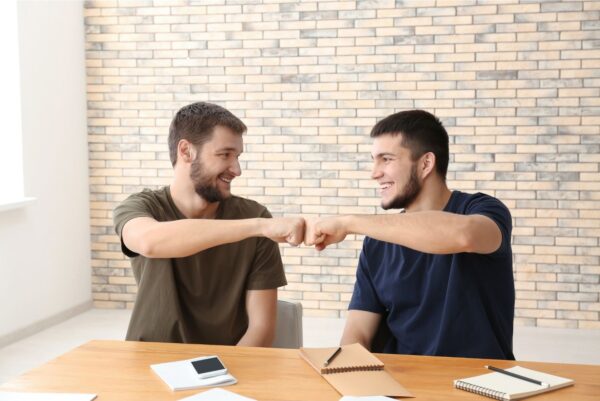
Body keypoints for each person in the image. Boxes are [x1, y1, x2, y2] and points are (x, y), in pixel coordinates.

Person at [305, 109, 515, 359]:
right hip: (401, 384)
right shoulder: (377, 240)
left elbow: (465, 236)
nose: (374, 173)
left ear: (426, 163)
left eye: (386, 159)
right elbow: (357, 332)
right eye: (374, 160)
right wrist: (352, 375)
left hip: (478, 383)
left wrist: (348, 222)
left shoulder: (484, 210)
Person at [113, 102, 304, 346]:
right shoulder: (140, 207)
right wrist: (258, 228)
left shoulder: (255, 215)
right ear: (186, 151)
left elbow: (261, 328)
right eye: (225, 155)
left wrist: (221, 376)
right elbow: (150, 241)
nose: (236, 169)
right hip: (149, 363)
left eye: (237, 157)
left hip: (229, 367)